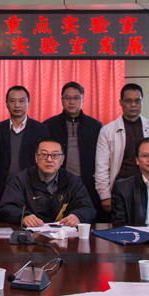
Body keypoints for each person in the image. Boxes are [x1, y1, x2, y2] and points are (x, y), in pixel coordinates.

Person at [95, 84, 149, 216]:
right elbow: (101, 166)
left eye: (137, 101)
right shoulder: (107, 131)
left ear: (142, 102)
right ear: (121, 102)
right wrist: (105, 195)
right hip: (120, 188)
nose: (133, 105)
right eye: (128, 101)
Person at [0, 138, 96, 227]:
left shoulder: (72, 181)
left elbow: (88, 208)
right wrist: (23, 217)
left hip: (63, 237)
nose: (49, 160)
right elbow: (6, 208)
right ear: (36, 158)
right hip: (30, 237)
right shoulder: (20, 180)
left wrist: (78, 216)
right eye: (44, 155)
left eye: (55, 155)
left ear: (62, 159)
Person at [43, 82, 102, 218]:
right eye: (67, 98)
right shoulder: (49, 125)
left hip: (87, 183)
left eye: (76, 98)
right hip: (57, 184)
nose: (71, 102)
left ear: (83, 100)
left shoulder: (95, 126)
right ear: (61, 100)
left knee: (85, 219)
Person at [0, 86, 50, 208]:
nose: (17, 105)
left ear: (29, 103)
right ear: (6, 104)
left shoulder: (40, 129)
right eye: (12, 101)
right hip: (2, 188)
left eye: (22, 101)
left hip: (31, 188)